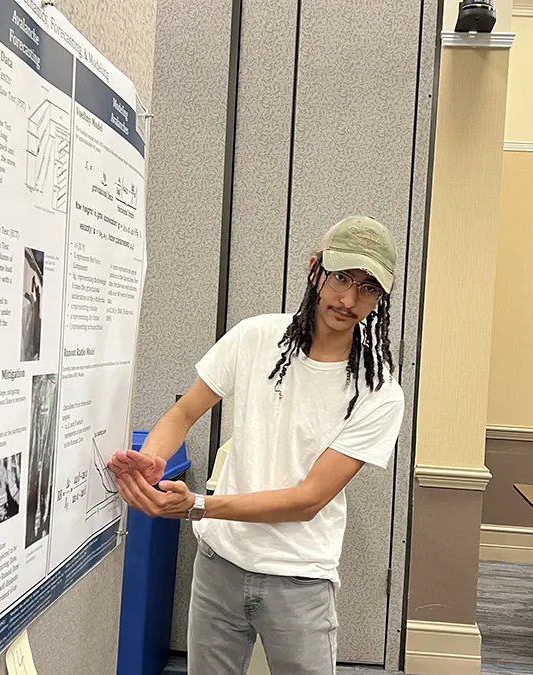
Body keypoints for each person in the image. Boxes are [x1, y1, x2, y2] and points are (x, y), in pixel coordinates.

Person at [108, 216, 404, 674]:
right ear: (315, 270)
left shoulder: (380, 392)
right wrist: (153, 459)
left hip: (300, 578)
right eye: (342, 277)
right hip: (219, 564)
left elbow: (307, 501)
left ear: (379, 300)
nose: (348, 299)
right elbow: (184, 413)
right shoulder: (255, 337)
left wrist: (198, 506)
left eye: (367, 288)